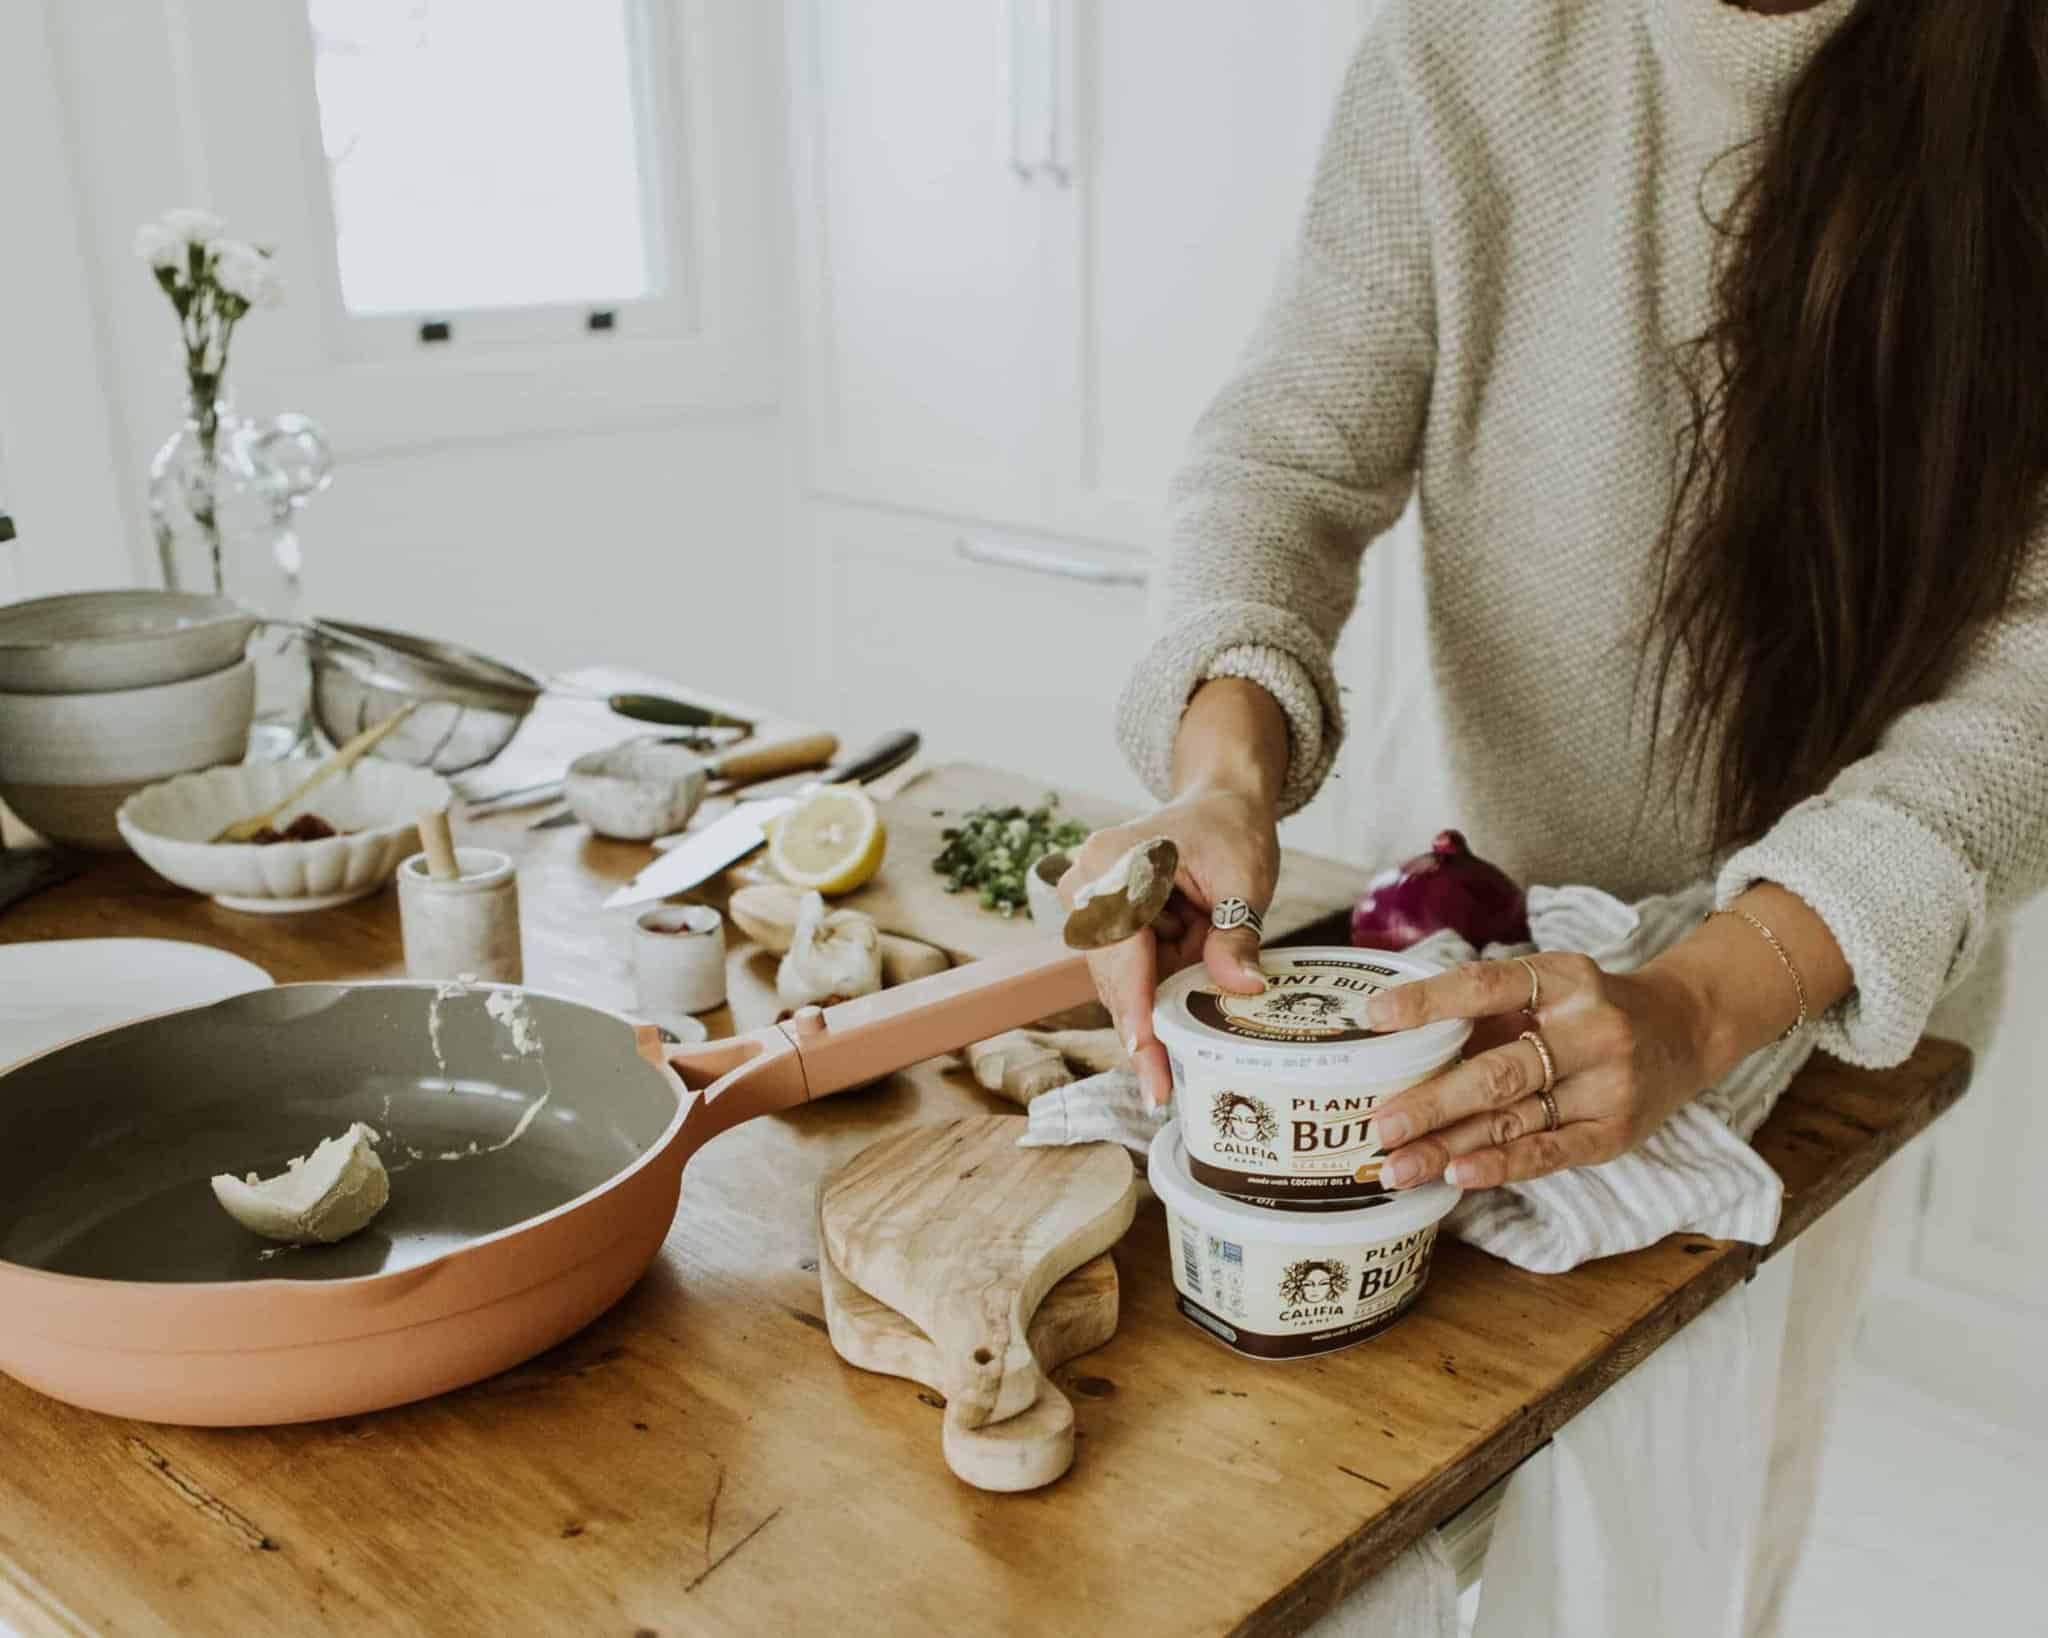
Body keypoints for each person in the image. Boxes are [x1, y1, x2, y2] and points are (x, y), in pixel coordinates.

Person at [1065, 0, 2048, 1625]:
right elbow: (1280, 458)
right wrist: (1218, 775)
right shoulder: (1466, 49)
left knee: (1705, 1529)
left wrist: (1705, 995)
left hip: (1834, 1005)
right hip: (1488, 956)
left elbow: (2030, 680)